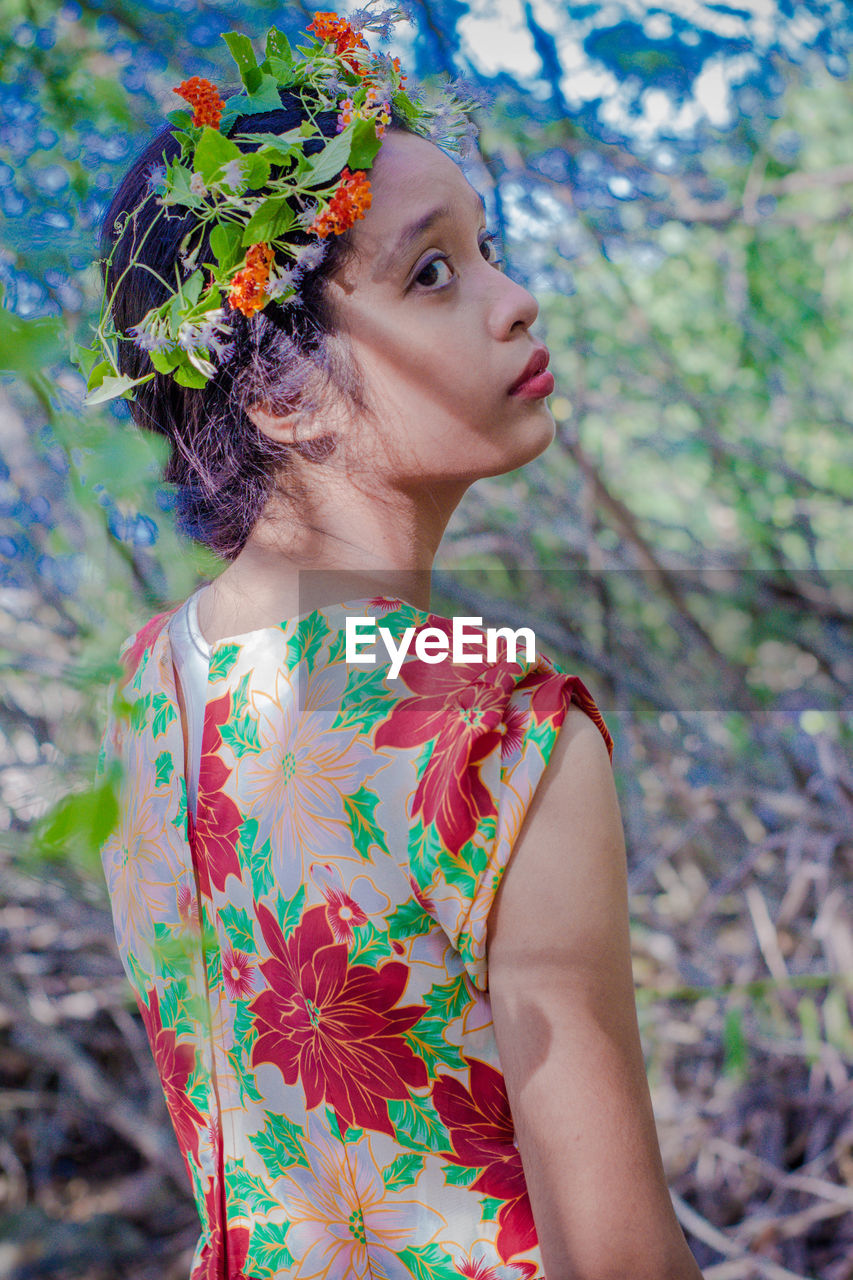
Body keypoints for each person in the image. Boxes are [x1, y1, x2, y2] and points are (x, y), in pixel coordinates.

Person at [89, 7, 704, 1278]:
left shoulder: (150, 686)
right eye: (432, 272)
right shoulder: (498, 732)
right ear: (276, 389)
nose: (517, 298)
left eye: (487, 249)